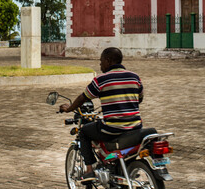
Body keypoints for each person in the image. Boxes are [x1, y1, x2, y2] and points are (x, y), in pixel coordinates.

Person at [59, 47, 143, 181]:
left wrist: (69, 109)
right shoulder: (135, 77)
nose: (100, 64)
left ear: (108, 61)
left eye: (101, 61)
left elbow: (83, 98)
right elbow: (140, 99)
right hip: (136, 127)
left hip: (113, 128)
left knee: (84, 132)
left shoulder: (101, 80)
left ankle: (89, 170)